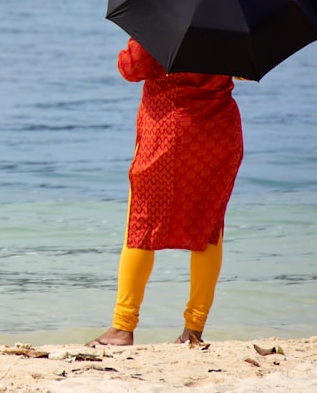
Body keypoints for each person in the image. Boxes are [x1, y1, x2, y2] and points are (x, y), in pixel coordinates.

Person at [87, 37, 243, 347]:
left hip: (169, 132)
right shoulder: (229, 20)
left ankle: (122, 326)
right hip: (219, 132)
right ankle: (193, 330)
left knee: (142, 225)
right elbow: (244, 70)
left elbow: (131, 68)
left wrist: (133, 39)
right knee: (208, 229)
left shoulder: (164, 19)